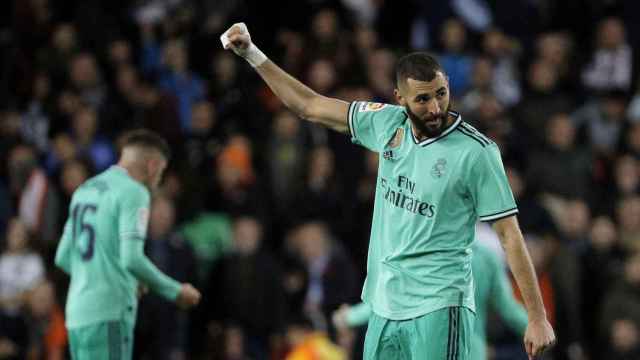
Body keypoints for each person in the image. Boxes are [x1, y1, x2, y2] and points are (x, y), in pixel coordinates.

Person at [221, 23, 555, 359]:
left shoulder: (477, 152)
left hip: (439, 305)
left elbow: (509, 235)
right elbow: (309, 105)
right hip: (385, 305)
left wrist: (537, 316)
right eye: (422, 99)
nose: (435, 108)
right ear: (400, 99)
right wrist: (252, 53)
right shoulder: (385, 123)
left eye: (440, 93)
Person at [54, 129, 202, 360]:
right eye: (161, 172)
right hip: (110, 312)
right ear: (152, 165)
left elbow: (63, 257)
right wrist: (175, 291)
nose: (158, 180)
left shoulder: (85, 189)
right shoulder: (134, 191)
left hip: (78, 314)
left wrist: (117, 277)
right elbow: (131, 258)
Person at [332, 241, 529, 360]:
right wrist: (537, 327)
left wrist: (349, 317)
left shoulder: (422, 253)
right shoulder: (487, 258)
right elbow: (509, 308)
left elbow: (391, 298)